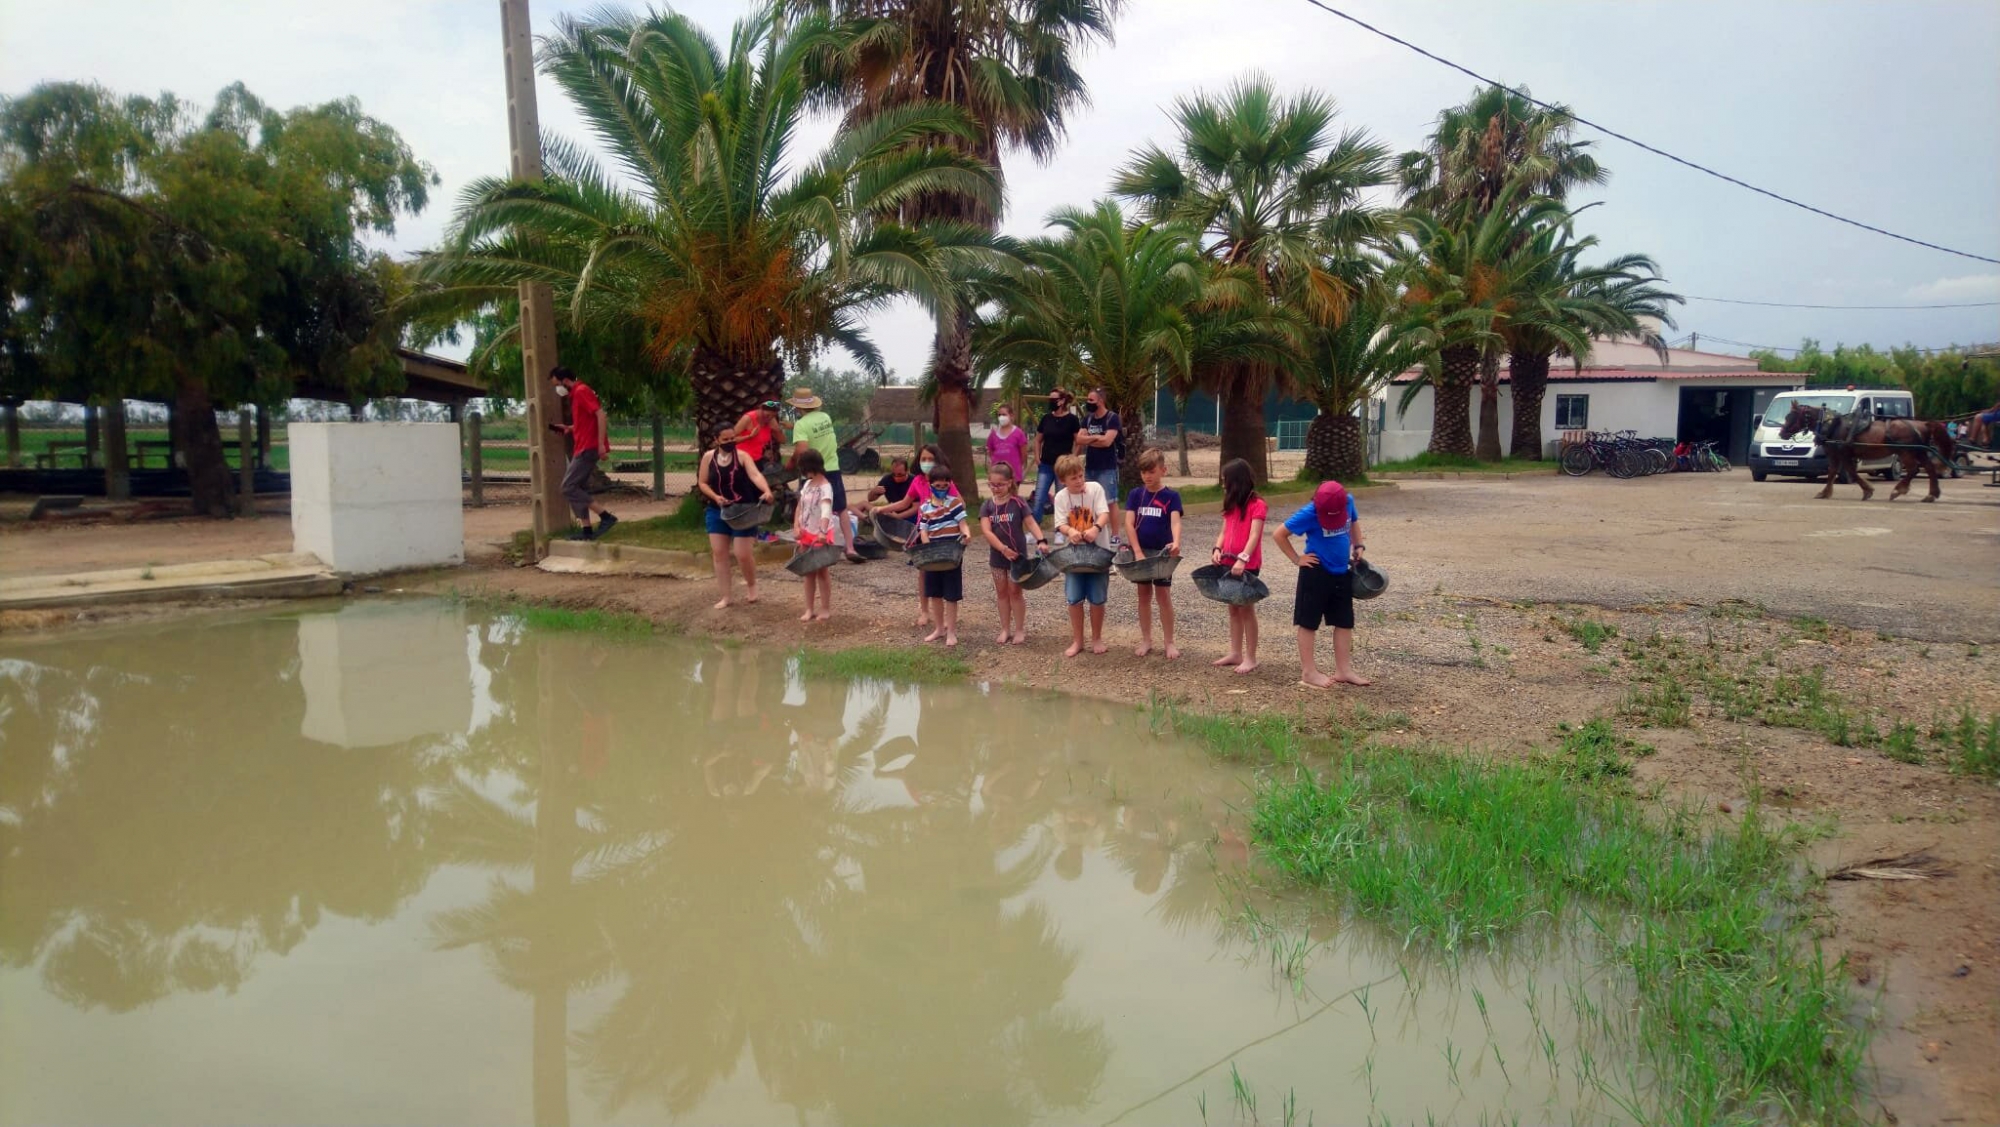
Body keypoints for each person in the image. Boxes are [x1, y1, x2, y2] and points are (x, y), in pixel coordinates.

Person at [1272, 480, 1371, 688]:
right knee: (1308, 622)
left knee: (1344, 621)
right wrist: (1297, 559)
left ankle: (1343, 670)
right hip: (1315, 572)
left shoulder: (1348, 501)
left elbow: (1353, 522)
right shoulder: (1310, 511)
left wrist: (1358, 543)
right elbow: (1279, 534)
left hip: (1341, 570)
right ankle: (1308, 672)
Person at [696, 426, 774, 609]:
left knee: (742, 553)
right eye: (725, 439)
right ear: (716, 440)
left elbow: (755, 475)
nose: (730, 442)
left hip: (743, 509)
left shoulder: (742, 456)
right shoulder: (708, 458)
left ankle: (752, 585)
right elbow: (702, 482)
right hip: (718, 509)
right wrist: (714, 497)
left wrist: (766, 490)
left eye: (733, 438)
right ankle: (726, 596)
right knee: (719, 553)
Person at [788, 388, 862, 563]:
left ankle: (807, 546)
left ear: (797, 407)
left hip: (812, 471)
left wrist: (792, 462)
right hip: (832, 467)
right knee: (841, 508)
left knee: (806, 507)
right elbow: (815, 431)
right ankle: (850, 548)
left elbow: (802, 448)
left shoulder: (801, 424)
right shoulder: (825, 417)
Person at [1124, 448, 1183, 659]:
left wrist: (1176, 542)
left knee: (1163, 596)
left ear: (1163, 470)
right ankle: (1146, 639)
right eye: (1143, 472)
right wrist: (1137, 551)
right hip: (1141, 553)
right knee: (1143, 595)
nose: (1147, 476)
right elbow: (1129, 524)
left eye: (1151, 471)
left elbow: (1175, 521)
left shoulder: (1171, 497)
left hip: (1162, 555)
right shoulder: (1135, 495)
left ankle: (1169, 642)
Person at [980, 461, 1046, 646]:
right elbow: (987, 531)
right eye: (992, 484)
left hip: (1017, 557)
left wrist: (1041, 540)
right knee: (1001, 593)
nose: (995, 488)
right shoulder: (987, 506)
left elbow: (1031, 523)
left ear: (1010, 483)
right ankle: (1004, 628)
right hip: (998, 556)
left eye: (1000, 484)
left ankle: (1019, 629)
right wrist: (1002, 549)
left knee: (1015, 592)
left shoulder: (1018, 502)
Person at [548, 366, 618, 539]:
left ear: (565, 380)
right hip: (583, 446)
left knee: (568, 487)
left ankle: (606, 517)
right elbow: (586, 422)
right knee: (577, 487)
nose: (557, 389)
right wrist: (570, 428)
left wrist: (601, 444)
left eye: (557, 384)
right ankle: (587, 531)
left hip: (588, 448)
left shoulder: (581, 391)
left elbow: (600, 415)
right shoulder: (576, 395)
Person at [1210, 458, 1266, 675]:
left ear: (1237, 481)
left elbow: (1254, 535)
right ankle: (1235, 652)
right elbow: (1224, 531)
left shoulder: (1257, 505)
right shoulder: (1231, 503)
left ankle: (1251, 657)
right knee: (1233, 608)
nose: (1224, 485)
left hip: (1247, 565)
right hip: (1227, 561)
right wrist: (1217, 549)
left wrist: (1243, 559)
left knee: (1246, 608)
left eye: (1226, 481)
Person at [1051, 452, 1110, 657]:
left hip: (1099, 553)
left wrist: (1096, 529)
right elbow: (1060, 524)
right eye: (1073, 478)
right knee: (1074, 597)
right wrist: (1071, 531)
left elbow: (1104, 513)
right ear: (1063, 480)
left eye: (1080, 475)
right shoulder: (1061, 497)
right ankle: (1078, 640)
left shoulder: (1095, 489)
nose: (1078, 480)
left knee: (1097, 597)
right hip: (1074, 556)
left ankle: (1096, 638)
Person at [915, 463, 970, 646]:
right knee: (934, 593)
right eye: (937, 486)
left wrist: (966, 534)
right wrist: (927, 545)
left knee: (951, 595)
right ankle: (939, 628)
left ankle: (951, 632)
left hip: (952, 554)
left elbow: (962, 523)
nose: (941, 489)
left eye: (945, 486)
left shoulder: (954, 503)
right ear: (930, 485)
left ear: (949, 485)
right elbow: (923, 530)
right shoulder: (925, 508)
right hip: (933, 556)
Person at [793, 449, 837, 622]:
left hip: (820, 533)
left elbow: (826, 510)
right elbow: (800, 506)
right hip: (805, 532)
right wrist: (796, 525)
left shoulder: (825, 487)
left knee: (822, 571)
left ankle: (825, 608)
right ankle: (809, 608)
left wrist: (822, 531)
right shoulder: (807, 485)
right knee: (808, 571)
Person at [1077, 387, 1123, 545]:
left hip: (1107, 467)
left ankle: (1115, 534)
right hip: (1090, 466)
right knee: (1088, 499)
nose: (1088, 403)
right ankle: (1088, 530)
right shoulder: (1087, 419)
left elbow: (1107, 442)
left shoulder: (1112, 418)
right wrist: (1097, 438)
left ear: (1101, 401)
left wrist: (1090, 438)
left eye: (1091, 400)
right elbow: (1079, 440)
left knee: (1110, 501)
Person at [1030, 388, 1081, 522]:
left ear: (1062, 401)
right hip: (1046, 464)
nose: (1051, 402)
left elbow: (1079, 441)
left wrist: (1073, 458)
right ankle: (1035, 530)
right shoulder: (1046, 418)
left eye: (1054, 399)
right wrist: (1037, 457)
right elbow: (1038, 439)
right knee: (1039, 497)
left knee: (1061, 498)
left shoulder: (1072, 420)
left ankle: (1060, 530)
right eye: (1050, 399)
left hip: (1063, 467)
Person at [985, 404, 1029, 484]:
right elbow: (990, 451)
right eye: (999, 415)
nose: (1001, 417)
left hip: (1013, 474)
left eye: (1004, 414)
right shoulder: (993, 433)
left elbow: (1024, 454)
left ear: (1011, 416)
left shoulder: (1018, 433)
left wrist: (1020, 467)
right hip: (997, 474)